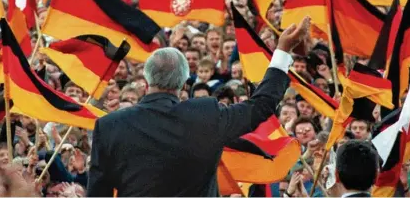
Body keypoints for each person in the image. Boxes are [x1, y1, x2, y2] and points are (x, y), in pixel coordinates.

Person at [87, 17, 311, 196]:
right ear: (184, 83)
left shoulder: (109, 127)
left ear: (146, 82)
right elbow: (260, 106)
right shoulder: (206, 116)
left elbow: (98, 194)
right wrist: (281, 51)